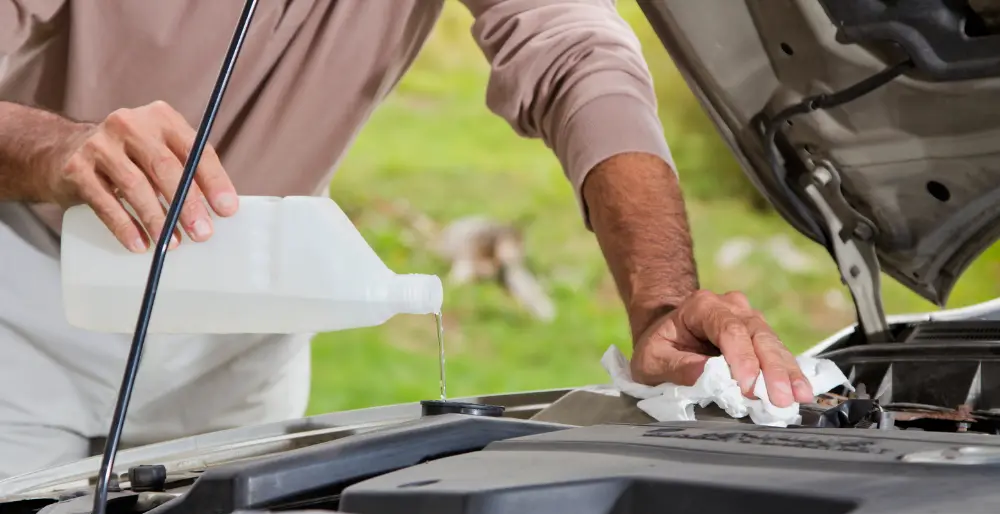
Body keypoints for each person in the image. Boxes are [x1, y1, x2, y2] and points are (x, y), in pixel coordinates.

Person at [0, 0, 813, 477]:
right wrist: (55, 148)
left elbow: (577, 51)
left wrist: (662, 299)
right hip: (24, 304)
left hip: (250, 316)